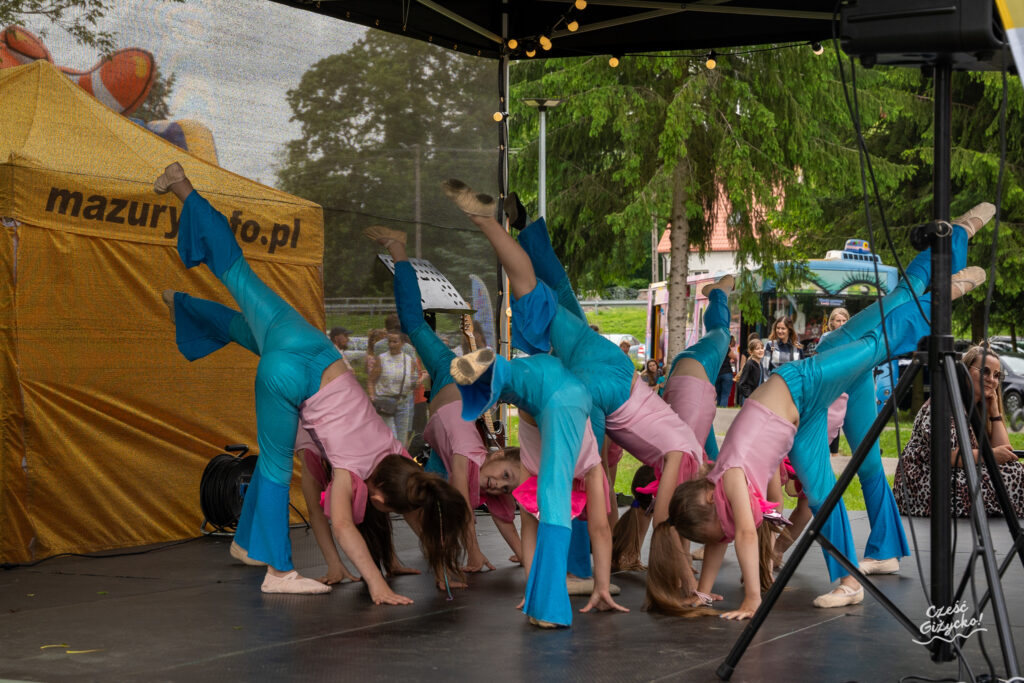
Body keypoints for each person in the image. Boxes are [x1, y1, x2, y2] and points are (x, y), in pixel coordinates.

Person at [153, 161, 470, 602]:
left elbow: (415, 496)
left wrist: (438, 561)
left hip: (311, 347)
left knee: (238, 274)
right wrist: (378, 585)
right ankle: (278, 572)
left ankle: (182, 193)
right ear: (380, 500)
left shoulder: (396, 453)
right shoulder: (350, 474)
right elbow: (345, 526)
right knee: (275, 467)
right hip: (286, 377)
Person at [645, 264, 985, 618]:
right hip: (798, 423)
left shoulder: (728, 477)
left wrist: (752, 600)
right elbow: (722, 537)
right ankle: (850, 583)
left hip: (801, 384)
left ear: (707, 500)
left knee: (875, 344)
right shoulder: (717, 498)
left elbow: (744, 534)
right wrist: (703, 592)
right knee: (822, 496)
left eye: (714, 530)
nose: (720, 538)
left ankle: (942, 296)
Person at [364, 225, 522, 570]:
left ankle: (428, 559)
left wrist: (526, 555)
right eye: (504, 477)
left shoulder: (488, 480)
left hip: (441, 441)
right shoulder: (467, 456)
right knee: (413, 323)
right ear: (497, 456)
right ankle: (399, 250)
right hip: (450, 376)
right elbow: (464, 505)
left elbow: (505, 518)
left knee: (417, 497)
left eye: (504, 488)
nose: (497, 486)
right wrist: (475, 553)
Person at [452, 348, 627, 627]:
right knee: (552, 509)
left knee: (519, 385)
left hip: (552, 386)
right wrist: (601, 587)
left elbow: (530, 531)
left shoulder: (541, 469)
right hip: (562, 397)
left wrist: (532, 589)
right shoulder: (587, 468)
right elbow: (599, 530)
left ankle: (499, 370)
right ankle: (548, 608)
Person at [894, 344, 1024, 518]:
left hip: (954, 475)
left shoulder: (976, 408)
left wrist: (994, 412)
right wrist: (991, 455)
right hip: (924, 481)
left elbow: (1005, 454)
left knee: (1014, 470)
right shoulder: (945, 403)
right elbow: (947, 456)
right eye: (984, 371)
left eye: (996, 375)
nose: (991, 380)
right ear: (964, 371)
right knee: (1014, 475)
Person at [369, 332, 417, 445]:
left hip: (403, 402)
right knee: (392, 438)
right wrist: (372, 397)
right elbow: (371, 380)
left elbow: (412, 383)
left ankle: (399, 456)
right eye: (389, 342)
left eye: (395, 342)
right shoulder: (382, 359)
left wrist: (418, 381)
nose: (391, 345)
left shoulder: (409, 360)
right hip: (385, 402)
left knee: (401, 439)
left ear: (402, 343)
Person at [736, 338, 764, 404]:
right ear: (751, 352)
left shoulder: (760, 364)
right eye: (757, 349)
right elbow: (742, 384)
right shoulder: (749, 364)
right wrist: (750, 396)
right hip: (749, 399)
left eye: (762, 348)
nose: (760, 350)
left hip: (757, 399)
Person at [715, 335, 739, 407]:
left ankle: (718, 410)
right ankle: (722, 410)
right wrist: (734, 368)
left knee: (718, 395)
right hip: (727, 373)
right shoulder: (726, 348)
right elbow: (735, 358)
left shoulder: (715, 348)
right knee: (725, 395)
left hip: (717, 374)